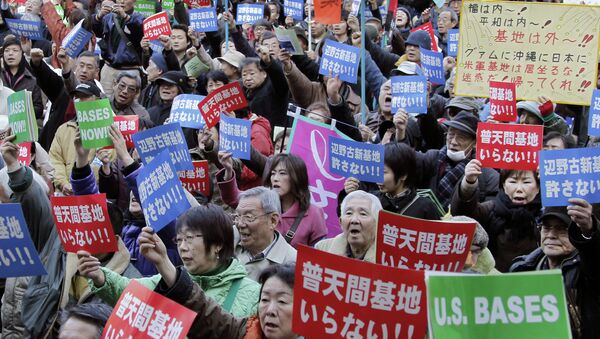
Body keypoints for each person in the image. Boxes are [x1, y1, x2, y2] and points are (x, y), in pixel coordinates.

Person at [77, 204, 261, 318]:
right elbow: (128, 289)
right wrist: (100, 276)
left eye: (189, 238)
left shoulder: (254, 294)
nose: (182, 247)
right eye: (179, 240)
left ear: (218, 244)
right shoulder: (168, 281)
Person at [510, 199, 600, 339]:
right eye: (546, 227)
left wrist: (589, 229)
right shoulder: (521, 268)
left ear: (576, 233)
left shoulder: (588, 270)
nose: (551, 235)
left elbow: (594, 255)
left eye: (561, 229)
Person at [218, 152, 328, 248]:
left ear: (297, 177)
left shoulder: (314, 213)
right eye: (273, 173)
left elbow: (318, 253)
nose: (275, 178)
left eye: (282, 173)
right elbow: (233, 198)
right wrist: (228, 170)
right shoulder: (261, 201)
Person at [452, 160, 542, 272]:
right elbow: (463, 214)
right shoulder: (491, 210)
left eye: (526, 182)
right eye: (513, 182)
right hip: (493, 282)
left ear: (538, 187)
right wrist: (469, 183)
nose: (519, 189)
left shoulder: (544, 215)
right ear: (504, 185)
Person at [342, 143, 442, 220]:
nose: (378, 178)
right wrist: (352, 195)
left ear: (403, 175)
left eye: (383, 172)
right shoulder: (372, 200)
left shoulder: (425, 208)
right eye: (377, 171)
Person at [234, 187, 297, 281]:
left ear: (273, 220)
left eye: (249, 217)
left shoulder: (292, 262)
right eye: (237, 216)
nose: (240, 224)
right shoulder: (228, 237)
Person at [92, 0, 145, 95]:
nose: (122, 1)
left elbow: (139, 30)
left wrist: (125, 17)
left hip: (130, 70)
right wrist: (98, 17)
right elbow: (94, 30)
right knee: (105, 102)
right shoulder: (108, 17)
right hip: (108, 69)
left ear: (135, 1)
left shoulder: (139, 18)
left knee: (129, 105)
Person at [316, 190, 383, 262]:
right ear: (340, 222)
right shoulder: (323, 249)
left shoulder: (388, 259)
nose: (354, 220)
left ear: (377, 223)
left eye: (363, 214)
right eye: (349, 213)